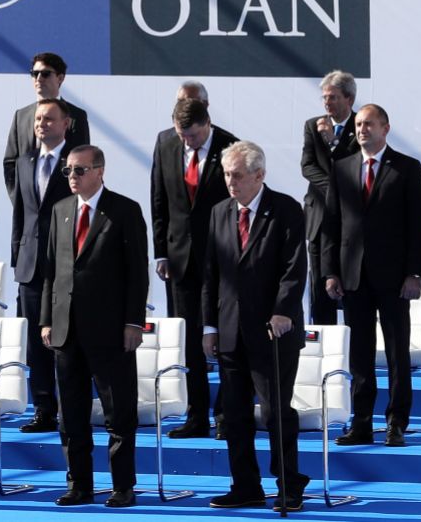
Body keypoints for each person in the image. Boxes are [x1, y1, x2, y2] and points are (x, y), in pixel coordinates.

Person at [202, 141, 310, 512]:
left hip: (272, 332)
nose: (230, 182)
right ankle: (245, 485)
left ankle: (290, 484)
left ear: (259, 175)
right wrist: (209, 327)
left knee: (276, 412)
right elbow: (211, 275)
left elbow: (294, 269)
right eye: (226, 174)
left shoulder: (285, 210)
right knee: (234, 414)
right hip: (231, 331)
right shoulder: (219, 212)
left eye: (237, 175)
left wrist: (283, 311)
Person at [41, 145, 149, 508]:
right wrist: (46, 319)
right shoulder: (60, 211)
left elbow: (137, 274)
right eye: (68, 171)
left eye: (79, 171)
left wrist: (134, 321)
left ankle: (122, 485)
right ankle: (79, 484)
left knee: (118, 412)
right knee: (71, 413)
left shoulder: (124, 210)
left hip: (111, 330)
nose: (72, 177)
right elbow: (51, 272)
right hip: (66, 330)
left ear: (100, 171)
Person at [323, 104, 421, 448]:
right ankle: (362, 421)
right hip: (354, 276)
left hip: (395, 277)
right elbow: (331, 225)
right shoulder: (342, 168)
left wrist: (415, 273)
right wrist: (331, 272)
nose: (362, 129)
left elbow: (419, 226)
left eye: (369, 124)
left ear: (386, 128)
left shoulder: (407, 168)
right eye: (358, 124)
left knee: (397, 352)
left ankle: (396, 422)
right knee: (360, 353)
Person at [149, 95, 237, 439]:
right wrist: (160, 252)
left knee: (224, 338)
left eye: (195, 136)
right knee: (190, 341)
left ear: (207, 124)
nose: (188, 142)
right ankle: (196, 414)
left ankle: (227, 414)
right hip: (179, 259)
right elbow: (159, 198)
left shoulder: (230, 144)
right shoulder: (165, 143)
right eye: (183, 135)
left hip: (222, 259)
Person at [9, 98, 77, 433]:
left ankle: (70, 406)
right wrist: (15, 257)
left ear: (66, 123)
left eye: (49, 119)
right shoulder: (25, 161)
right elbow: (21, 212)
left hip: (65, 264)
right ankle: (43, 408)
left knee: (64, 340)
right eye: (38, 119)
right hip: (30, 264)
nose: (41, 124)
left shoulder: (76, 162)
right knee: (36, 343)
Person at [300, 70, 359, 326]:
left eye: (333, 97)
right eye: (325, 97)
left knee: (351, 285)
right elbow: (308, 166)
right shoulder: (313, 125)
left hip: (350, 219)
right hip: (320, 216)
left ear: (349, 99)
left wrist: (333, 141)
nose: (327, 103)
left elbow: (355, 165)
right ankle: (323, 343)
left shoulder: (362, 125)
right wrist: (332, 189)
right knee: (320, 284)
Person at [2, 52, 91, 202]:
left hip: (64, 207)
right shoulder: (21, 116)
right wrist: (19, 200)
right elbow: (11, 163)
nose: (38, 79)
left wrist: (71, 205)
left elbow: (81, 161)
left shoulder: (76, 116)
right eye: (34, 74)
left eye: (45, 74)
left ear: (60, 78)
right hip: (30, 210)